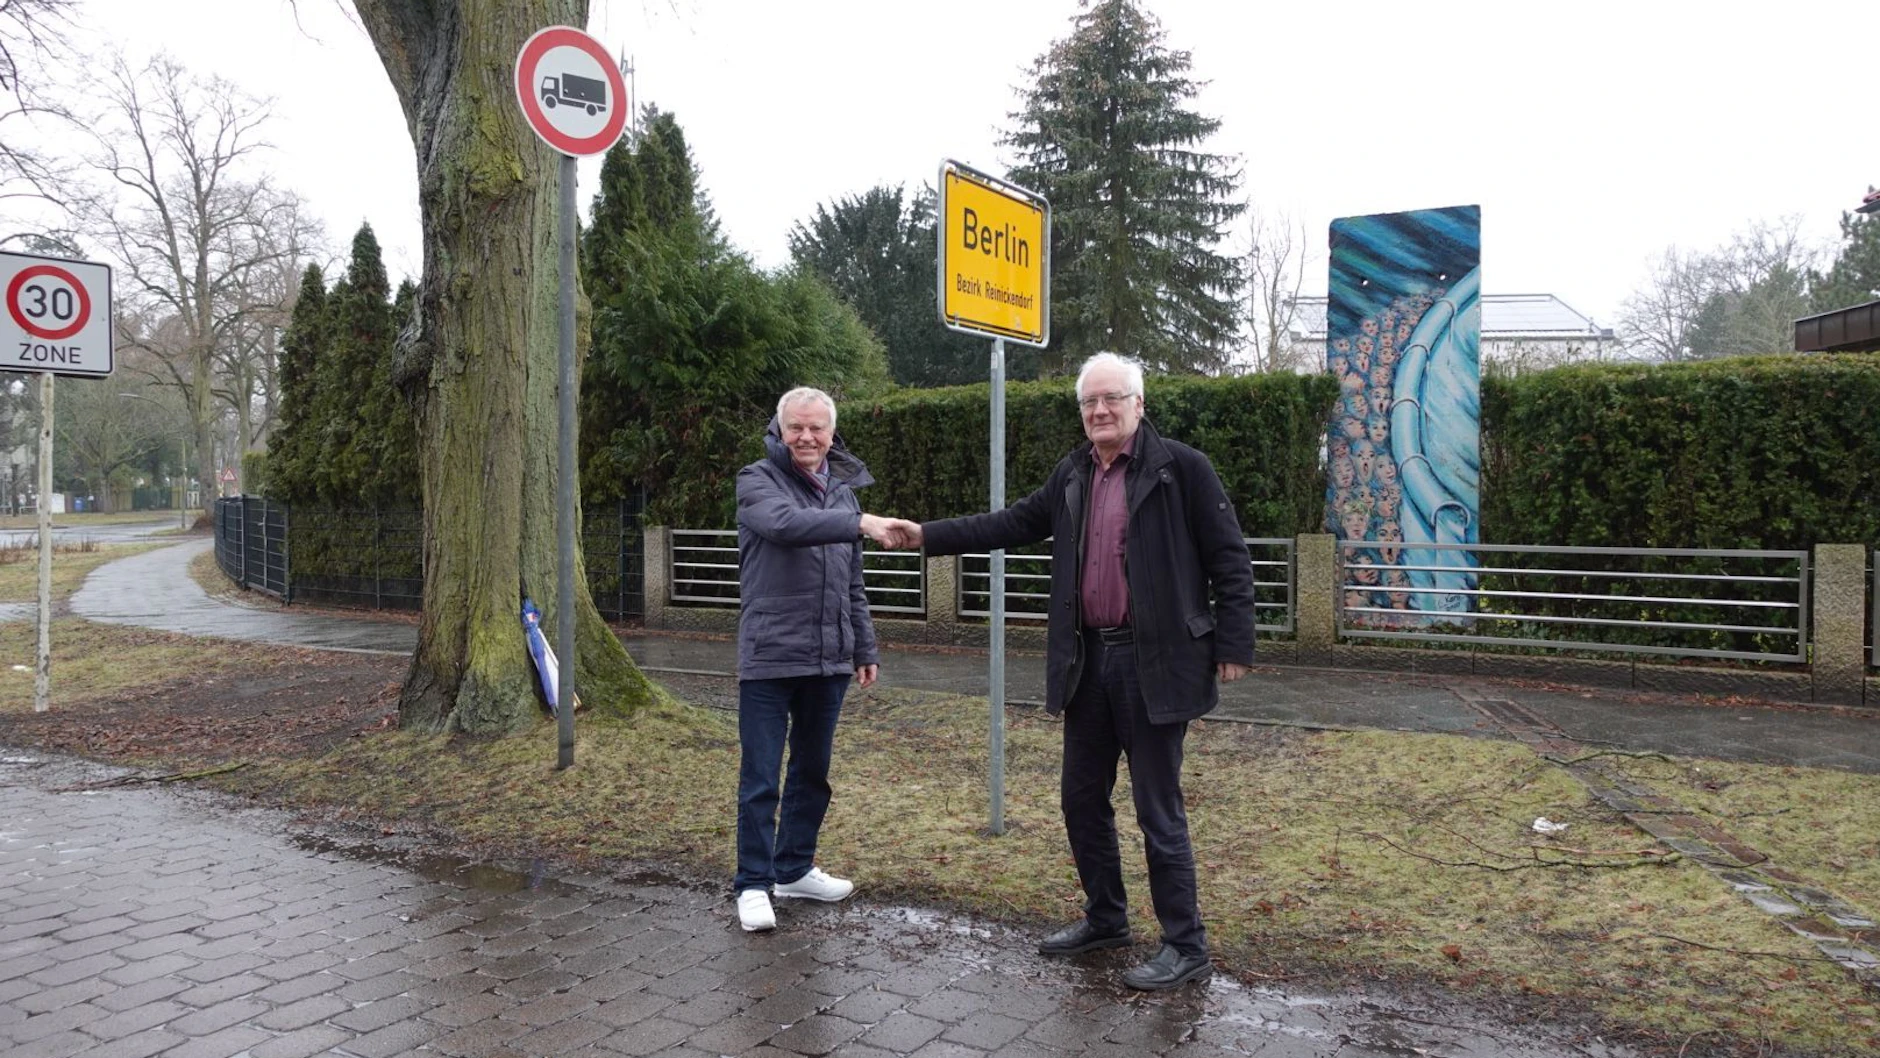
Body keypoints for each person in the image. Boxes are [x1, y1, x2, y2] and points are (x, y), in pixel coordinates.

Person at [886, 353, 1256, 990]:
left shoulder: (1182, 468)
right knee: (1081, 799)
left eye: (1111, 399)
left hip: (1155, 662)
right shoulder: (1073, 473)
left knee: (1157, 808)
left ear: (1138, 404)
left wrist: (1235, 644)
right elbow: (1010, 522)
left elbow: (1231, 559)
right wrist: (925, 535)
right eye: (1089, 402)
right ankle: (1106, 918)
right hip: (1088, 660)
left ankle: (1185, 944)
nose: (1099, 411)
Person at [732, 386, 904, 933]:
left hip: (829, 659)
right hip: (769, 655)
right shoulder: (756, 480)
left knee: (812, 772)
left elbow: (852, 582)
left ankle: (794, 870)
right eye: (796, 428)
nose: (806, 438)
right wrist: (860, 523)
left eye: (817, 428)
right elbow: (784, 525)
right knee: (761, 778)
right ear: (779, 430)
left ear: (832, 433)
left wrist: (863, 646)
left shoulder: (842, 493)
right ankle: (753, 884)